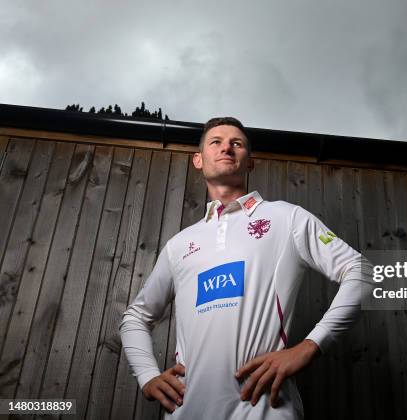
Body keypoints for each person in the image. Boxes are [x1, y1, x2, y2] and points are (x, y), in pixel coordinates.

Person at [120, 117, 372, 419]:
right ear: (198, 160)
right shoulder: (179, 245)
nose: (226, 147)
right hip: (185, 412)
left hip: (264, 411)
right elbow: (136, 317)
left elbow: (363, 272)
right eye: (216, 141)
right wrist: (147, 375)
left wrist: (310, 345)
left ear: (249, 162)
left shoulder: (286, 218)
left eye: (236, 143)